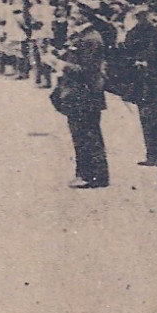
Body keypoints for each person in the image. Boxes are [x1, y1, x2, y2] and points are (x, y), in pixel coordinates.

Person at [52, 18, 109, 188]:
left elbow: (86, 70)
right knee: (84, 134)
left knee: (86, 135)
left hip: (84, 95)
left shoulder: (90, 39)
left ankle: (91, 176)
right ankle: (89, 174)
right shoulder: (85, 37)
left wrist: (59, 64)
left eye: (76, 11)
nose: (71, 16)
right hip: (81, 95)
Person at [117, 5, 157, 179]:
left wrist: (146, 63)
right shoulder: (144, 31)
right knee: (148, 117)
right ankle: (154, 154)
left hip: (154, 82)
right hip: (145, 82)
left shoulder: (155, 33)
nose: (149, 18)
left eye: (149, 15)